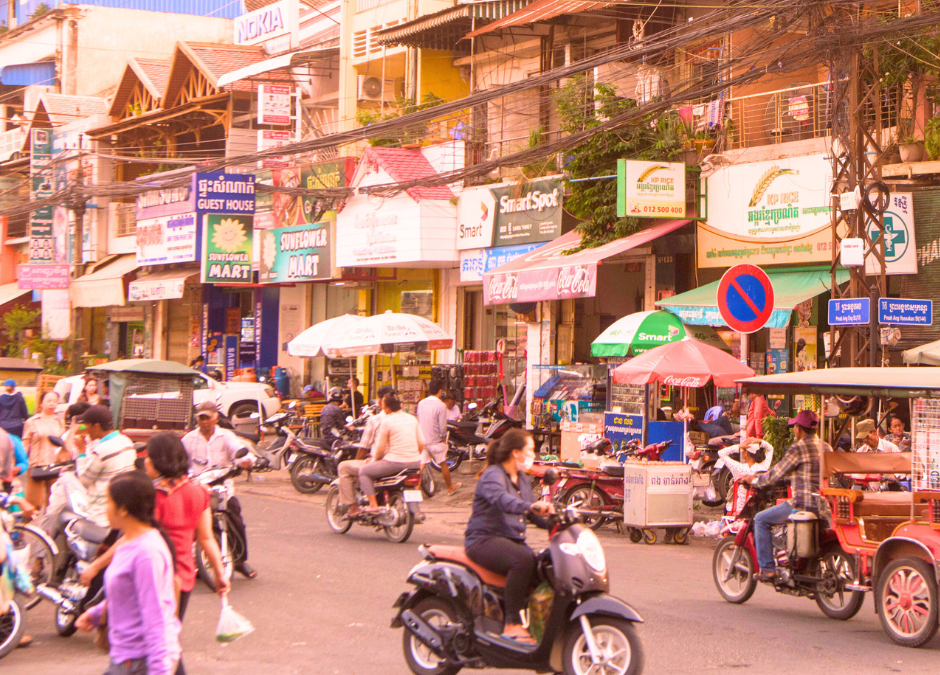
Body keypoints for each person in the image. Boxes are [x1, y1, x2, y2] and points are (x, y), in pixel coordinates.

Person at [75, 472, 182, 675]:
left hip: (138, 663)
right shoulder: (128, 542)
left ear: (123, 509)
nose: (105, 508)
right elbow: (128, 593)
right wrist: (97, 613)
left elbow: (155, 617)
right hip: (125, 658)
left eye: (108, 502)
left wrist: (159, 671)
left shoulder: (146, 553)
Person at [464, 429, 555, 644]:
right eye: (530, 450)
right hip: (483, 540)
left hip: (509, 539)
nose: (534, 454)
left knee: (545, 564)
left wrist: (556, 522)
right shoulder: (492, 475)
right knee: (522, 560)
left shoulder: (521, 478)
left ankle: (537, 624)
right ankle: (512, 624)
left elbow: (531, 515)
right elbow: (504, 501)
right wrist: (532, 507)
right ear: (516, 452)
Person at [740, 410, 826, 583]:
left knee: (760, 519)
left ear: (799, 428)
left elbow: (776, 473)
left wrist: (756, 480)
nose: (794, 430)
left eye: (795, 426)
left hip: (802, 503)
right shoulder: (825, 446)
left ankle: (768, 570)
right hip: (823, 504)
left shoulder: (799, 447)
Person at [181, 401, 257, 579]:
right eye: (201, 418)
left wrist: (246, 461)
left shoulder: (226, 436)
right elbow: (180, 462)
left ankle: (239, 561)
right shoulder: (188, 439)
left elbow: (240, 451)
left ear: (216, 418)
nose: (204, 421)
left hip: (222, 488)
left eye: (208, 417)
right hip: (197, 489)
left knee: (236, 518)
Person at [358, 392, 423, 513]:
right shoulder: (412, 418)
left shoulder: (387, 421)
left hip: (395, 462)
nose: (382, 408)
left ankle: (373, 505)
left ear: (387, 408)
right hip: (415, 463)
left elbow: (380, 448)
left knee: (364, 471)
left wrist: (373, 460)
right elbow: (422, 443)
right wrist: (414, 455)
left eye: (383, 405)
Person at [338, 386, 394, 516]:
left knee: (344, 467)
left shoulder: (376, 420)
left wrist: (359, 464)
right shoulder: (406, 419)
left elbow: (364, 448)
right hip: (407, 462)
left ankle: (354, 508)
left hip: (383, 463)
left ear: (380, 401)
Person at [78, 405, 137, 527]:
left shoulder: (102, 450)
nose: (85, 431)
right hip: (122, 507)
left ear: (97, 426)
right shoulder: (126, 441)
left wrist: (80, 452)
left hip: (101, 513)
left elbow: (83, 480)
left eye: (86, 426)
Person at [22, 390, 66, 511]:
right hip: (36, 466)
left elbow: (64, 442)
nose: (52, 404)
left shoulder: (59, 421)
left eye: (55, 401)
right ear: (41, 403)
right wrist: (20, 462)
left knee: (53, 503)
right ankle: (24, 527)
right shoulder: (32, 422)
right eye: (48, 401)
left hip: (55, 465)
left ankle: (49, 529)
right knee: (34, 504)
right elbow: (25, 444)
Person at [417, 379, 460, 496]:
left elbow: (419, 420)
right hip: (435, 440)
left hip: (423, 439)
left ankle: (415, 490)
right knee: (443, 463)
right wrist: (444, 440)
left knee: (421, 465)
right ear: (440, 391)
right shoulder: (441, 405)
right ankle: (450, 488)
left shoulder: (421, 403)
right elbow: (442, 427)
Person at [718, 437, 773, 515]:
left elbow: (721, 453)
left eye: (743, 450)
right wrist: (760, 441)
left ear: (746, 453)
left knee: (727, 506)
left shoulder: (738, 468)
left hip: (739, 510)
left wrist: (739, 446)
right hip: (756, 510)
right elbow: (770, 449)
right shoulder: (763, 467)